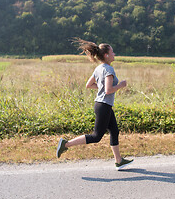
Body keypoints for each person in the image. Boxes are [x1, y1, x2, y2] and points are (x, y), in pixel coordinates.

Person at [56, 38, 133, 170]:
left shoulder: (98, 68)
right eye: (112, 52)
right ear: (106, 55)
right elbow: (108, 91)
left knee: (114, 130)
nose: (114, 54)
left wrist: (102, 88)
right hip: (104, 105)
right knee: (96, 136)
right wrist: (120, 85)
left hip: (101, 104)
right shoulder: (109, 69)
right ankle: (66, 144)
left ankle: (119, 160)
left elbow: (89, 85)